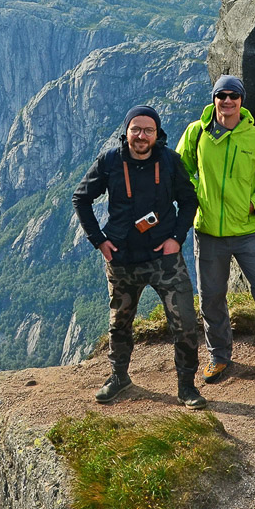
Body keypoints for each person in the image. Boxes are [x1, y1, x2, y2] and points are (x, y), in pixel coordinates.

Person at [72, 105, 208, 409]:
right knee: (119, 323)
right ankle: (119, 377)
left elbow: (189, 201)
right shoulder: (110, 161)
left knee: (184, 321)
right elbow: (80, 198)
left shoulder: (170, 161)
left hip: (165, 259)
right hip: (122, 260)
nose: (142, 135)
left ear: (157, 133)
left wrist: (176, 238)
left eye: (148, 130)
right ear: (127, 132)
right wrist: (99, 241)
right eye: (136, 129)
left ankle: (186, 386)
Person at [177, 75, 255, 395]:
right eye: (222, 95)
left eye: (234, 95)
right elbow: (180, 170)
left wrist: (254, 204)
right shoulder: (197, 132)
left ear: (241, 100)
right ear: (214, 98)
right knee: (211, 297)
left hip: (248, 232)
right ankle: (219, 356)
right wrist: (196, 198)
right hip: (207, 232)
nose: (228, 100)